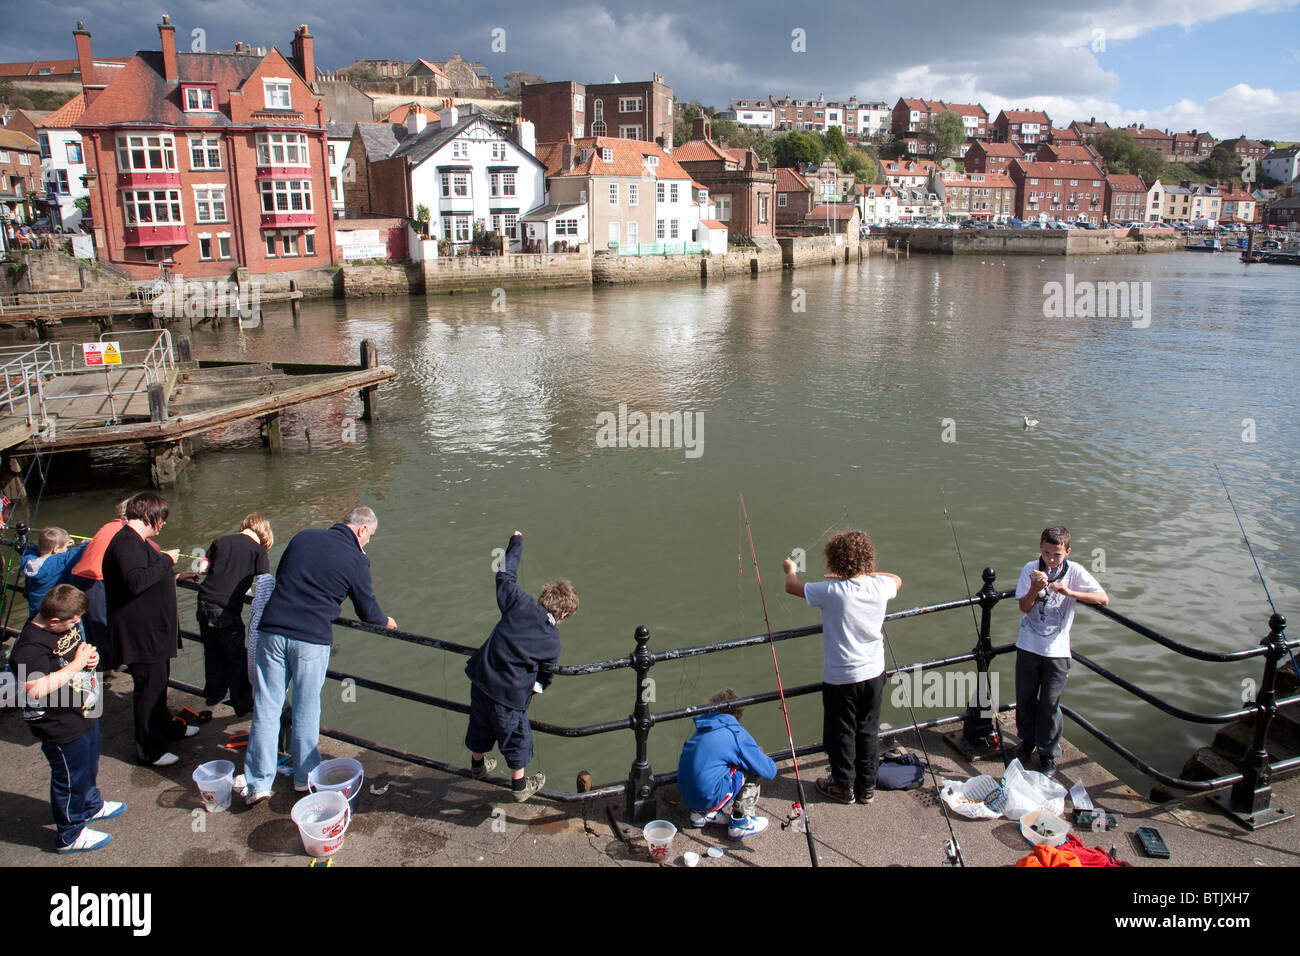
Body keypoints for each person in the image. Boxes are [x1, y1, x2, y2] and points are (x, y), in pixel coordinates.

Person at [242, 506, 396, 805]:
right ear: (362, 530)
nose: (369, 542)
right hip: (310, 639)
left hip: (272, 630)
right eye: (370, 536)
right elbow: (368, 611)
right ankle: (305, 779)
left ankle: (258, 783)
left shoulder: (304, 537)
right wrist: (384, 621)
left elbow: (285, 576)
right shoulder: (357, 559)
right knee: (305, 708)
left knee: (266, 706)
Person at [784, 529, 901, 805]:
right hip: (874, 672)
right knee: (867, 728)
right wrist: (866, 574)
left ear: (834, 560)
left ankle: (843, 786)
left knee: (842, 732)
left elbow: (792, 586)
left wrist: (790, 569)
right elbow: (897, 579)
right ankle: (866, 787)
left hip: (841, 676)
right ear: (868, 559)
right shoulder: (879, 586)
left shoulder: (831, 591)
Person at [8, 584, 125, 853]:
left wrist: (89, 658)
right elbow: (35, 689)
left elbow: (72, 651)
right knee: (70, 777)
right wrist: (77, 663)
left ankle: (91, 806)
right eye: (72, 621)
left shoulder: (61, 625)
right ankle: (70, 834)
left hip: (81, 708)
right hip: (58, 722)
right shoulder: (28, 648)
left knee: (89, 762)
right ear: (53, 620)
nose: (76, 624)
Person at [465, 531, 577, 803]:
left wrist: (516, 543)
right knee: (516, 737)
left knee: (480, 723)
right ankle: (519, 788)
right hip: (509, 695)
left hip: (481, 679)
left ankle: (478, 767)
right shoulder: (552, 641)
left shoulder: (518, 602)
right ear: (562, 615)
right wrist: (538, 686)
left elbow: (504, 575)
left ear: (543, 596)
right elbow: (546, 672)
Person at [103, 492, 196, 768]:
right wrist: (168, 560)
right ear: (148, 516)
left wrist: (176, 576)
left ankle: (166, 729)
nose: (163, 524)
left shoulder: (134, 542)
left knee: (159, 685)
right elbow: (135, 581)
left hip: (152, 633)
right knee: (148, 690)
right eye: (161, 519)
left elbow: (145, 578)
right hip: (141, 635)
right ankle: (148, 750)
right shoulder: (127, 543)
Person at [1014, 526, 1108, 778]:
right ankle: (1026, 743)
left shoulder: (1074, 571)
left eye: (1056, 554)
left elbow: (1102, 598)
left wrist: (1070, 592)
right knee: (1024, 698)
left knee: (1050, 704)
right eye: (1046, 553)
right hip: (1028, 646)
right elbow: (1024, 606)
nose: (1050, 559)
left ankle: (1048, 754)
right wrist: (1034, 588)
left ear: (1067, 551)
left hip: (1057, 650)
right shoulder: (1029, 569)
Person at [195, 513, 272, 716]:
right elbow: (264, 584)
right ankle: (243, 704)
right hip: (226, 609)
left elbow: (202, 568)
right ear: (263, 532)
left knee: (212, 652)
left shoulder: (221, 540)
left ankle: (214, 694)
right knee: (236, 657)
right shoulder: (259, 552)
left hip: (204, 602)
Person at [676, 688, 777, 839]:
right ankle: (740, 822)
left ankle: (702, 814)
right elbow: (769, 770)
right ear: (738, 713)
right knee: (754, 766)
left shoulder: (702, 728)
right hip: (707, 797)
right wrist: (759, 754)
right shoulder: (735, 734)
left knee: (717, 765)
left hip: (688, 797)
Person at [70, 498, 132, 672]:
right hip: (95, 578)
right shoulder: (124, 529)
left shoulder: (108, 526)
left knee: (90, 623)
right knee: (102, 622)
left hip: (81, 575)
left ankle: (98, 661)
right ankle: (108, 662)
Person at [22, 526, 88, 621]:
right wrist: (84, 543)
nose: (66, 550)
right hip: (56, 611)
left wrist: (59, 541)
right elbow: (82, 551)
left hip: (36, 613)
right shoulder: (58, 562)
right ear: (55, 549)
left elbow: (31, 549)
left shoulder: (28, 559)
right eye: (66, 547)